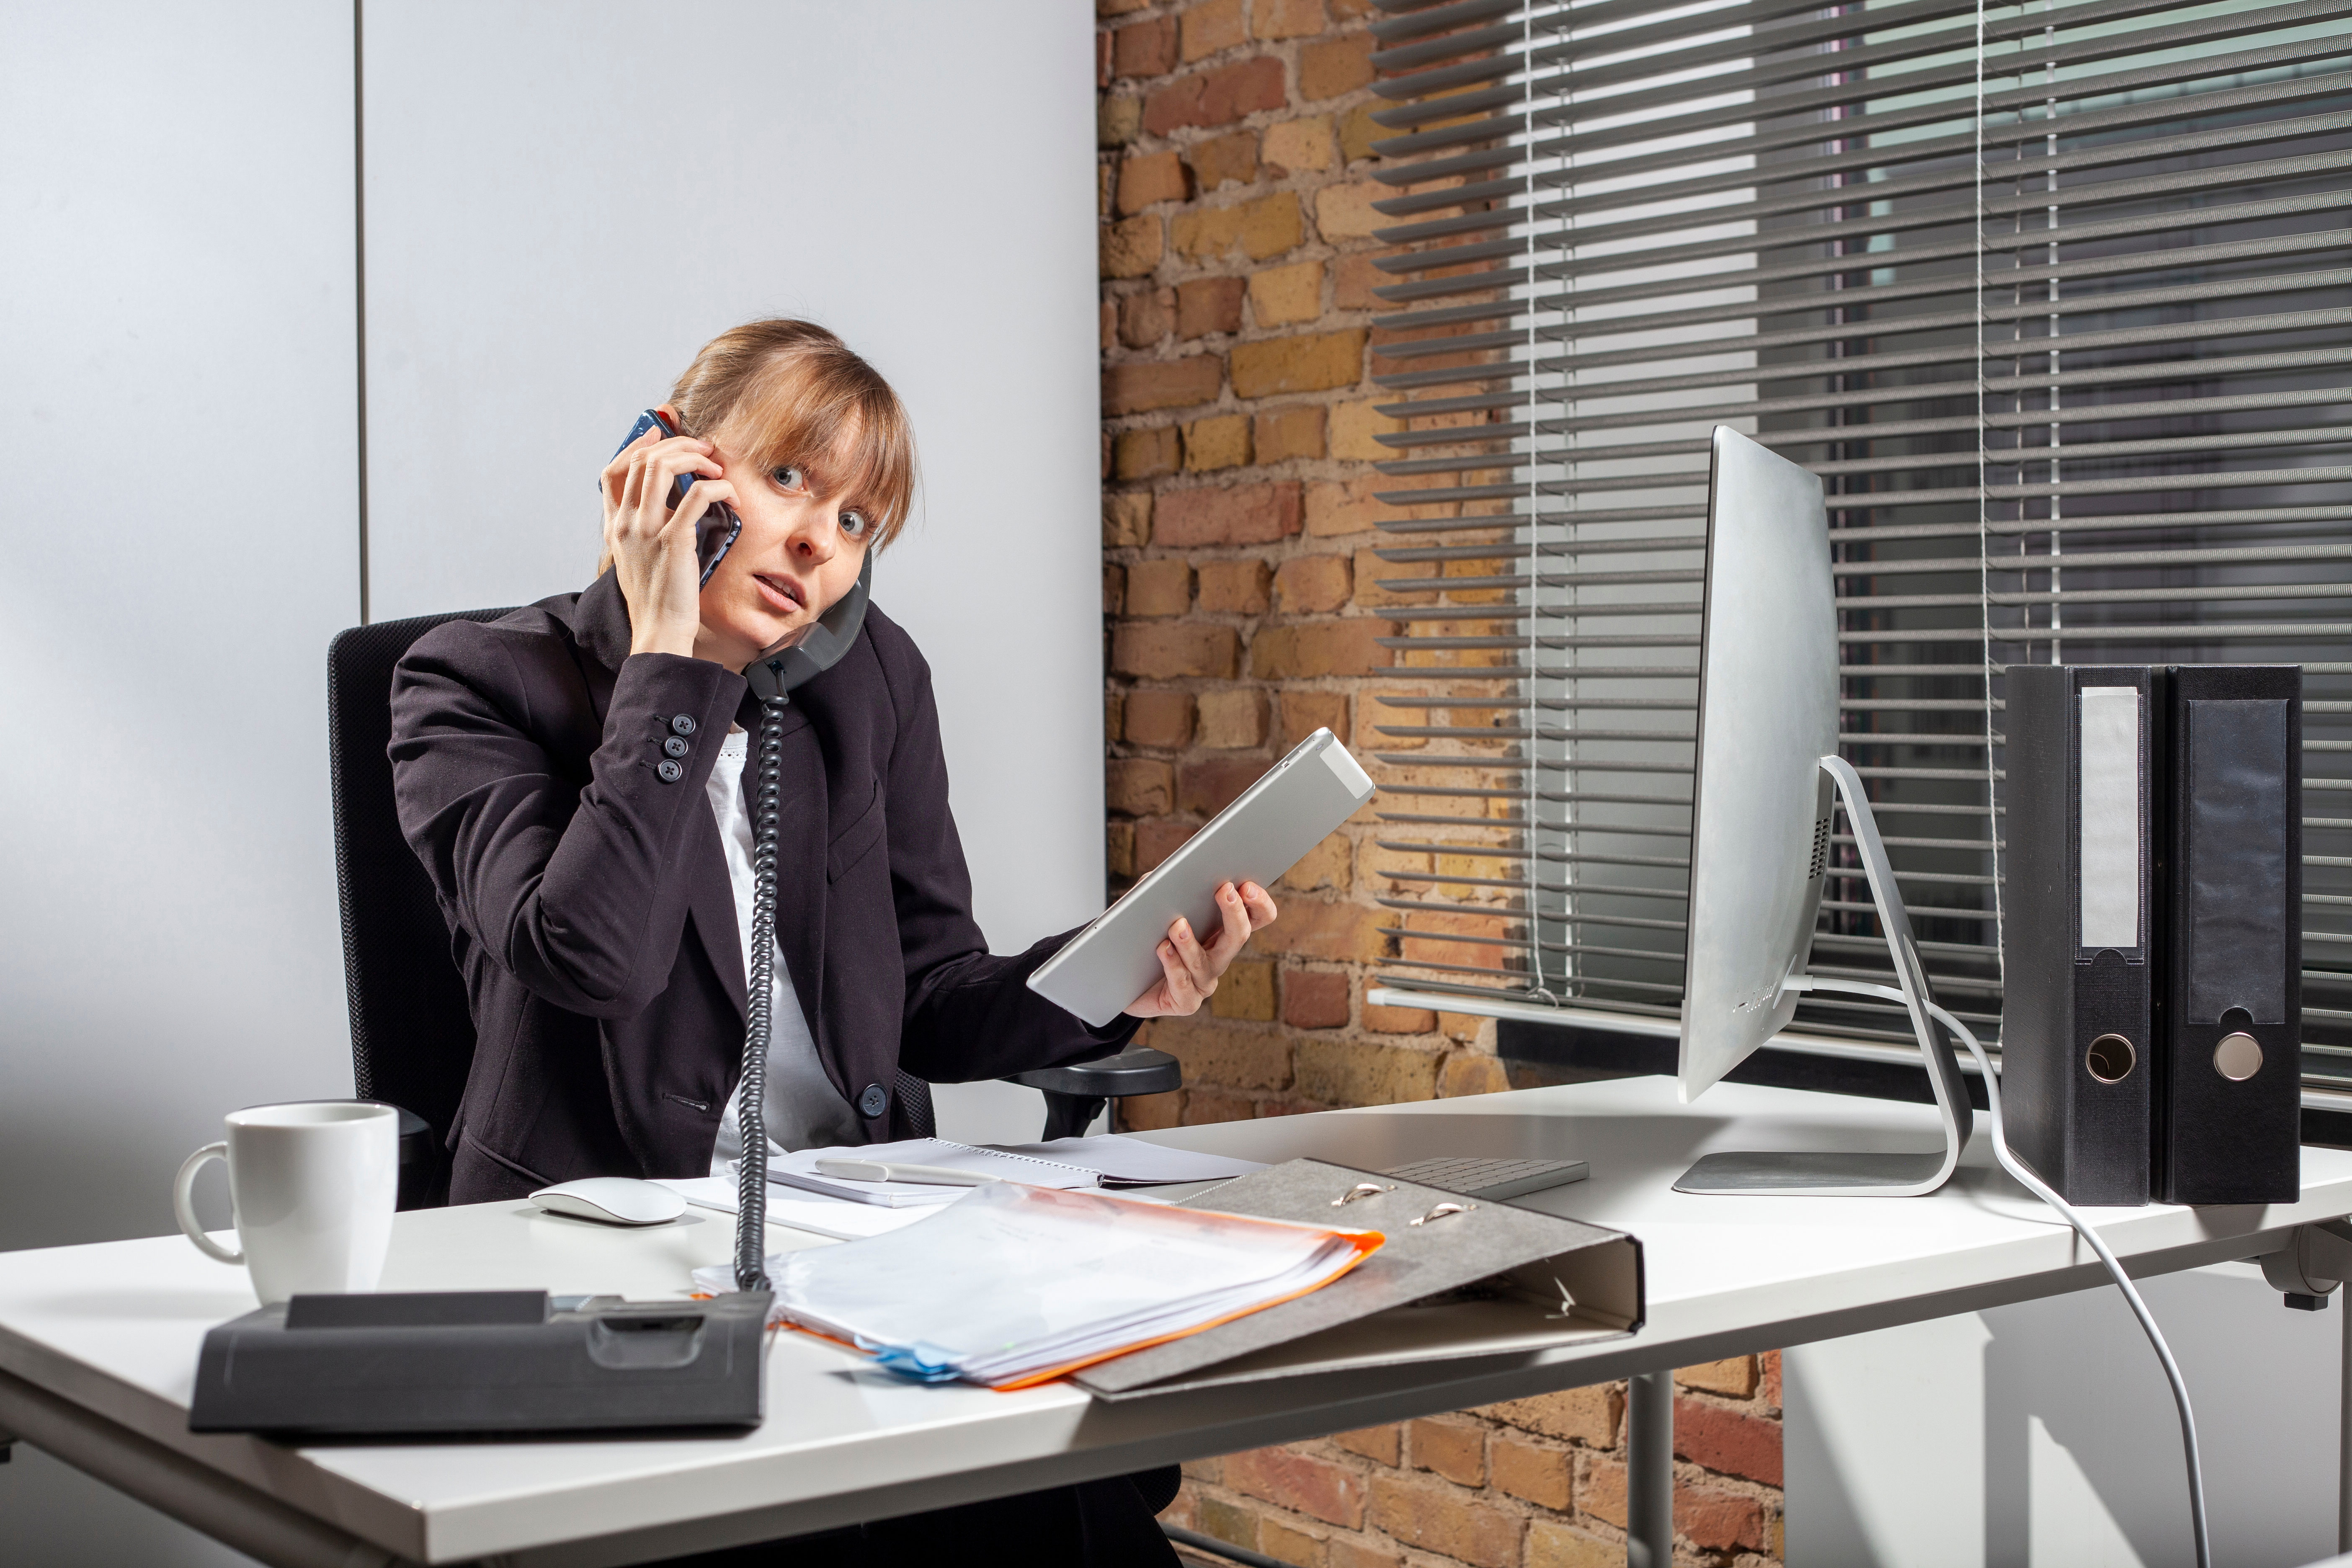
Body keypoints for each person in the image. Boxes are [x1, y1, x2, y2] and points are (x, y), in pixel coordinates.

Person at [387, 319, 1277, 1565]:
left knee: (1066, 1499)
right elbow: (592, 958)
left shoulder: (873, 684)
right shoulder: (474, 684)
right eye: (789, 478)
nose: (818, 542)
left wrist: (1120, 970)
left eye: (857, 521)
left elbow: (933, 994)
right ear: (666, 467)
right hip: (605, 1276)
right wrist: (674, 658)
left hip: (857, 1251)